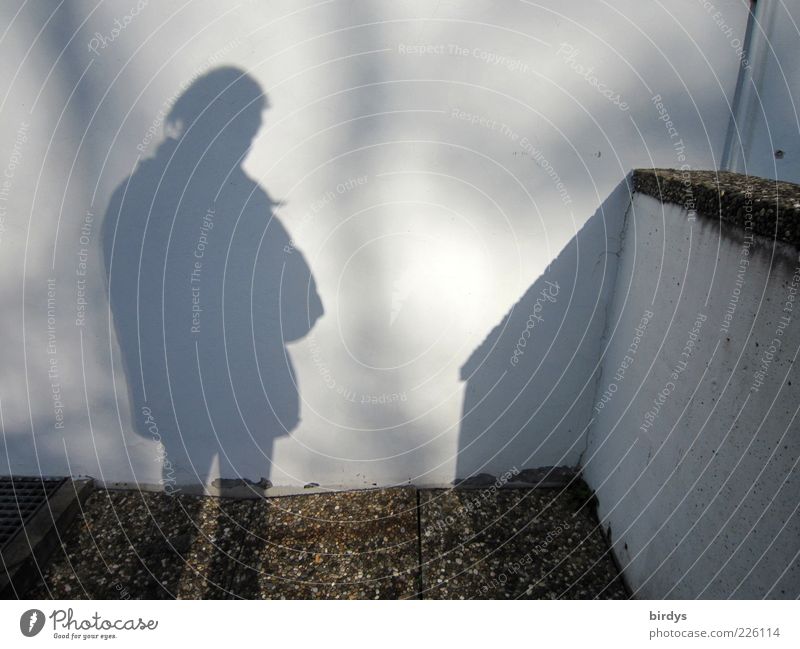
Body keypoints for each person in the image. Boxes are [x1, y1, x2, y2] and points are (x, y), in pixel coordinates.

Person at [102, 67, 323, 490]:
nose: (246, 143)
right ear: (209, 122)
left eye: (251, 131)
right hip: (207, 393)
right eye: (240, 128)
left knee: (201, 521)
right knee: (201, 520)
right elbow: (138, 310)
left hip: (211, 394)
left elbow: (299, 300)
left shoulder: (223, 198)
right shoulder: (191, 199)